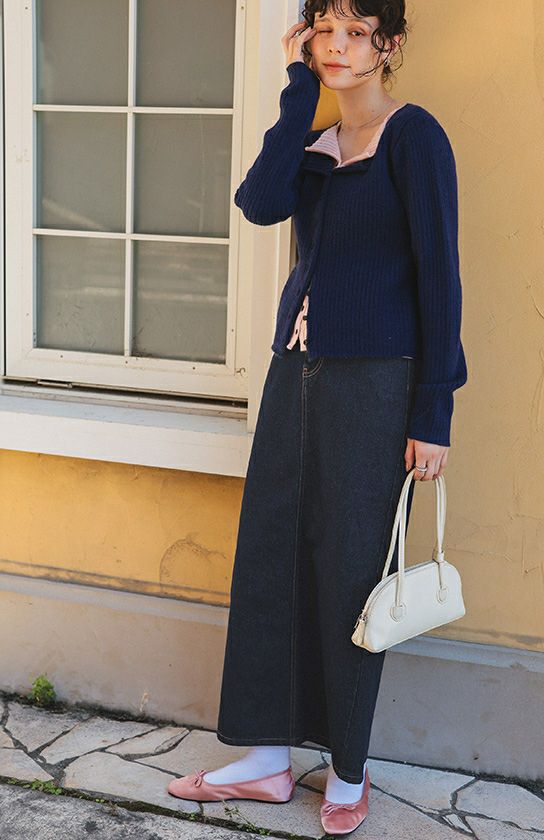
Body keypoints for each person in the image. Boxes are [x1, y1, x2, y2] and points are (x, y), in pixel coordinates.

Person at [166, 0, 468, 834]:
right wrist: (299, 90)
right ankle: (267, 759)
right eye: (323, 30)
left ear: (388, 45)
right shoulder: (313, 146)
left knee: (352, 573)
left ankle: (347, 769)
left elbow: (441, 279)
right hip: (294, 375)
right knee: (271, 557)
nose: (338, 45)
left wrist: (434, 409)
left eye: (355, 32)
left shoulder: (414, 138)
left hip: (377, 387)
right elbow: (259, 202)